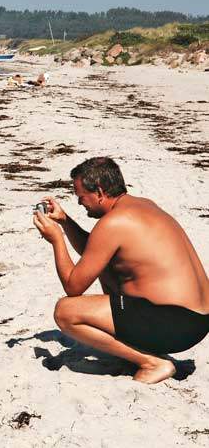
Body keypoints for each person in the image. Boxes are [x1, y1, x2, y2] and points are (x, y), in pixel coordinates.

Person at [34, 157, 209, 384]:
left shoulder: (113, 223)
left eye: (80, 197)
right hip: (197, 319)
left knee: (65, 312)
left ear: (99, 192)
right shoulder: (142, 205)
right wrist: (66, 222)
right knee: (106, 266)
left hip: (175, 323)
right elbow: (96, 251)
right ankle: (141, 348)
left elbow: (73, 287)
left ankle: (152, 362)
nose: (80, 203)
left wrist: (57, 240)